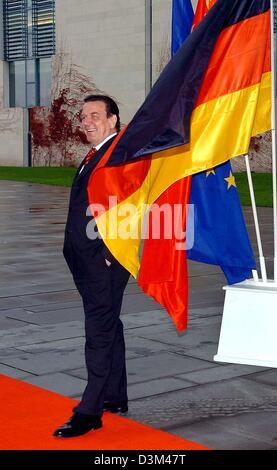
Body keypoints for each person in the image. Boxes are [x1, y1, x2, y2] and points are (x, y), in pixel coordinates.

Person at [53, 95, 130, 438]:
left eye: (94, 115)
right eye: (83, 116)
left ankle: (90, 410)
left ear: (113, 120)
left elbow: (130, 205)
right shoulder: (95, 154)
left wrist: (109, 254)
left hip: (105, 261)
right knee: (108, 323)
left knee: (98, 331)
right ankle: (114, 395)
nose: (86, 121)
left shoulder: (119, 154)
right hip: (85, 258)